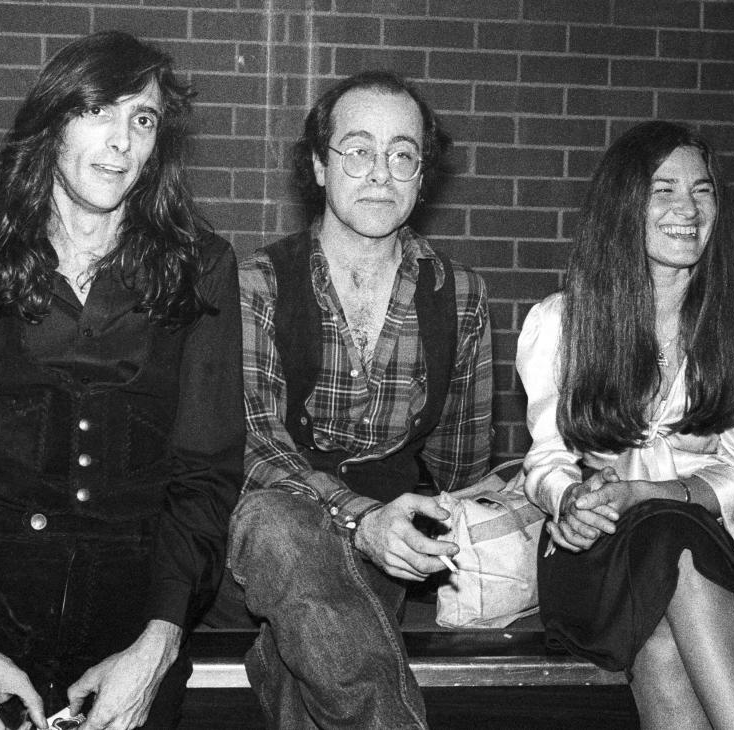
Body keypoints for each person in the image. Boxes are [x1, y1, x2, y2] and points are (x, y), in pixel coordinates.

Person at [0, 31, 244, 730]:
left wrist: (155, 649)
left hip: (135, 625)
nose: (121, 142)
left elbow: (205, 474)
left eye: (142, 120)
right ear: (54, 121)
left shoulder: (202, 267)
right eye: (100, 112)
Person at [228, 70, 493, 728]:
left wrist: (449, 538)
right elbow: (256, 446)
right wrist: (361, 521)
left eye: (402, 153)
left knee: (313, 660)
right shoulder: (257, 283)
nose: (382, 172)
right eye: (358, 150)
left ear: (421, 175)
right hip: (266, 525)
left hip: (384, 545)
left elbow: (464, 467)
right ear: (319, 165)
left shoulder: (459, 295)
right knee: (284, 528)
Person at [516, 120, 734, 729]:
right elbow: (547, 461)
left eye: (703, 191)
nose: (687, 209)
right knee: (664, 538)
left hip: (724, 554)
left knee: (667, 584)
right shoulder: (562, 324)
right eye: (662, 190)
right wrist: (570, 501)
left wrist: (651, 493)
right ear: (623, 206)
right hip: (593, 552)